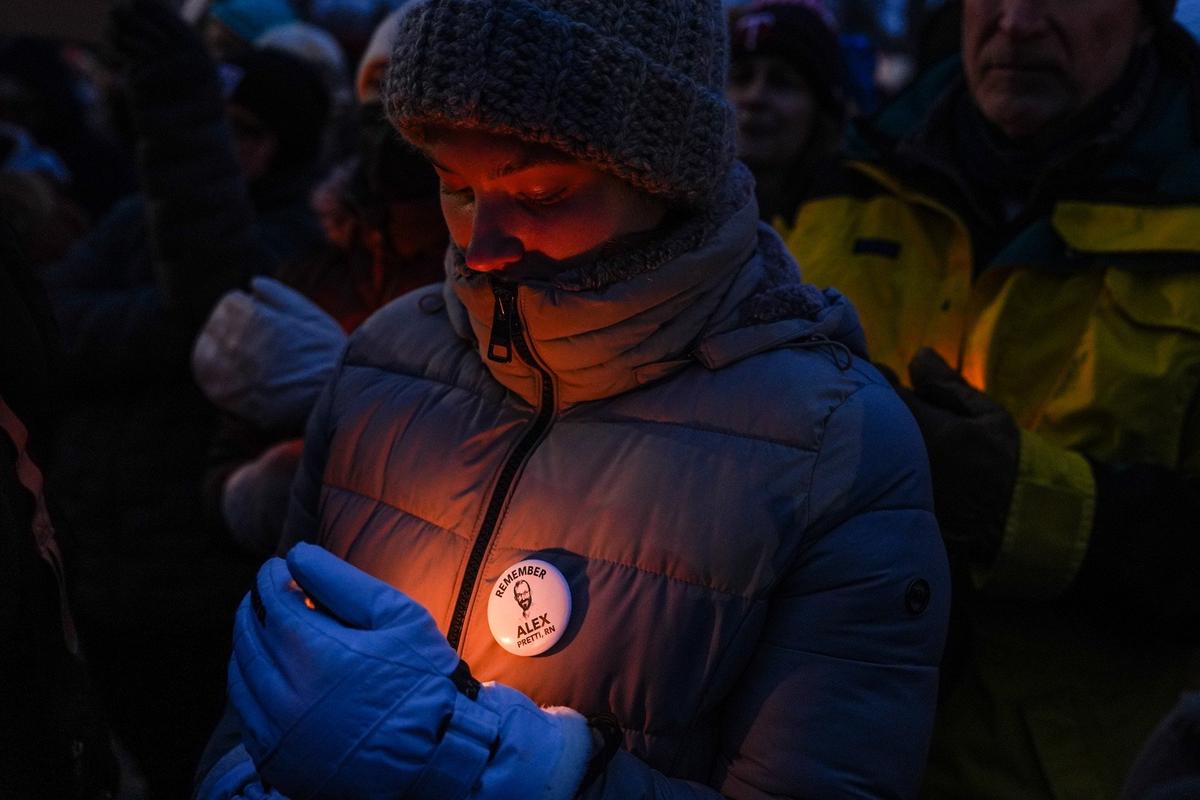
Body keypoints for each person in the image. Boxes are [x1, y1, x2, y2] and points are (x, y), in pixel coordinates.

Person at [194, 0, 950, 798]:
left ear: (664, 175)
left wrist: (525, 773)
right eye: (455, 188)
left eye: (543, 193)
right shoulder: (384, 364)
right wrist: (243, 777)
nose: (483, 249)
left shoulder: (831, 447)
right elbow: (260, 695)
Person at [783, 0, 1200, 798]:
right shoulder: (852, 173)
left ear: (1150, 14)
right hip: (826, 759)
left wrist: (1025, 503)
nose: (1014, 23)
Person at [39, 2, 331, 795]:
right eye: (220, 128)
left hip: (201, 575)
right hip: (102, 559)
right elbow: (54, 320)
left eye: (249, 131)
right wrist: (169, 328)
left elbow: (218, 302)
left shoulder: (299, 239)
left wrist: (155, 325)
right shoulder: (138, 218)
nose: (232, 147)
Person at [193, 5, 447, 558]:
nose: (390, 120)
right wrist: (252, 491)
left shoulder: (487, 286)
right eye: (378, 93)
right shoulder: (313, 265)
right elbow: (222, 454)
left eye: (414, 99)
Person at [727, 0, 847, 227]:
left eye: (781, 82)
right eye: (741, 78)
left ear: (822, 110)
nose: (754, 96)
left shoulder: (855, 222)